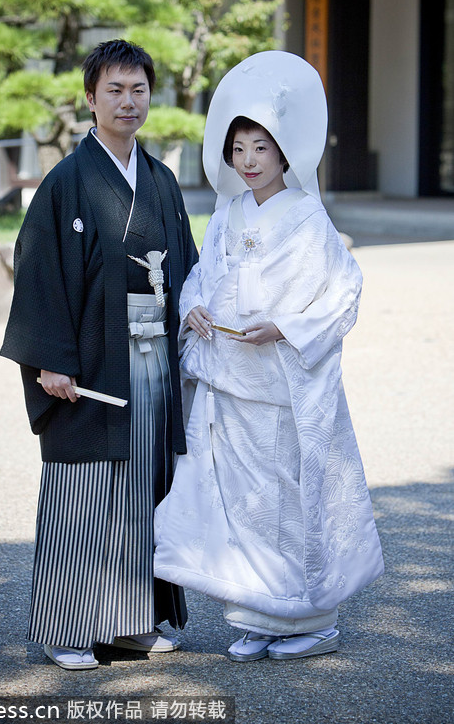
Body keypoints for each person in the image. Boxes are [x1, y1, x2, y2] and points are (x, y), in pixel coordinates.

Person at [154, 50, 384, 662]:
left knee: (291, 498)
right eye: (239, 149)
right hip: (231, 378)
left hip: (283, 385)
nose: (248, 161)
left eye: (260, 148)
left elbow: (341, 290)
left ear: (284, 152)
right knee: (243, 502)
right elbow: (205, 277)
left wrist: (284, 327)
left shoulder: (309, 217)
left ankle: (314, 619)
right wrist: (194, 306)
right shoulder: (226, 213)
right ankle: (259, 615)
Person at [0, 39, 198, 670]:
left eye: (138, 89)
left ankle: (131, 623)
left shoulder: (161, 180)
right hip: (88, 358)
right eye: (114, 90)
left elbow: (187, 265)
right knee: (83, 489)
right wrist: (49, 360)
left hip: (151, 358)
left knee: (144, 485)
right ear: (90, 98)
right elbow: (41, 274)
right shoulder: (67, 181)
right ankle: (65, 628)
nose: (127, 101)